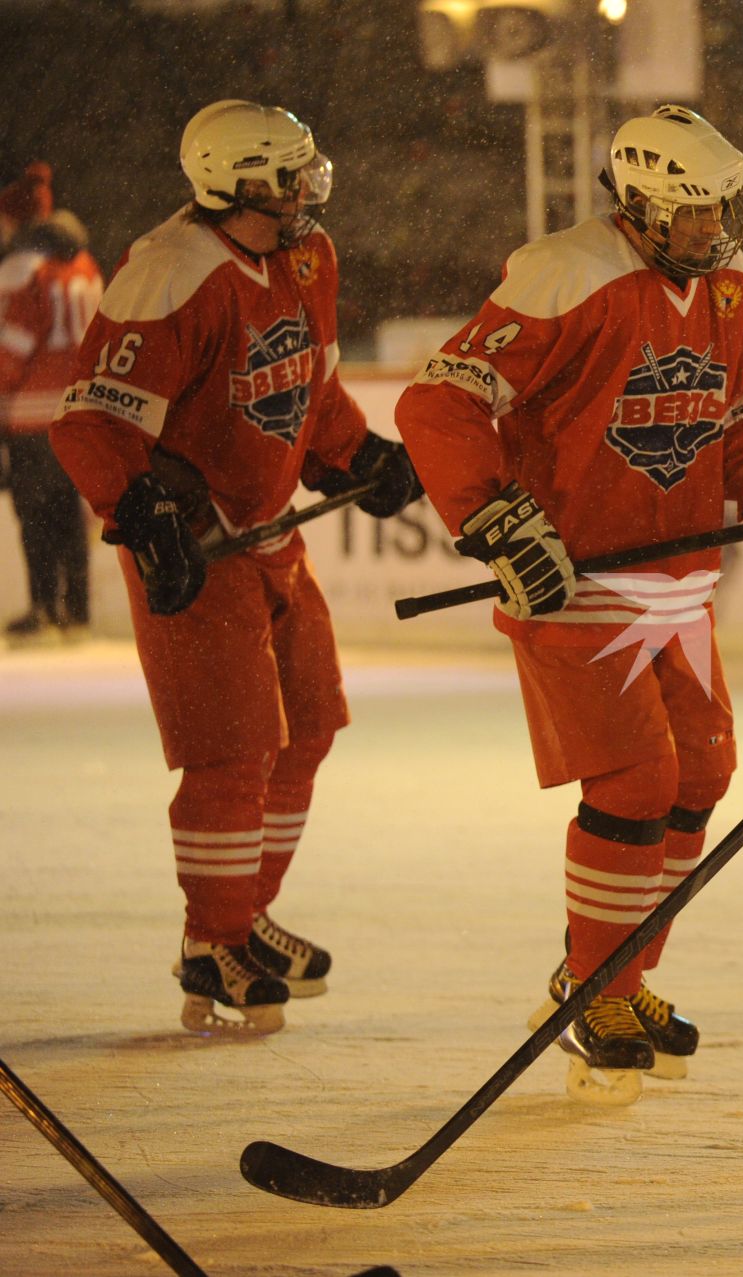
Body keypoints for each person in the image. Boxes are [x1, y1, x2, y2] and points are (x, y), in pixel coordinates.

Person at [394, 105, 743, 1106]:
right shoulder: (565, 273)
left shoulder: (729, 283)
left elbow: (732, 419)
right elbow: (437, 403)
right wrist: (493, 519)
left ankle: (619, 977)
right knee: (637, 779)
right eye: (693, 214)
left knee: (701, 769)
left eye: (720, 210)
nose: (713, 230)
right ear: (642, 207)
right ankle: (592, 989)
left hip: (679, 583)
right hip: (578, 583)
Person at [49, 100, 424, 1035]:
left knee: (308, 727)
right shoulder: (172, 274)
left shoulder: (307, 256)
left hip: (265, 534)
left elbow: (310, 386)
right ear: (239, 184)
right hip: (191, 535)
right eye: (288, 174)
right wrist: (139, 514)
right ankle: (210, 938)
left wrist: (354, 453)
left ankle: (243, 916)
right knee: (231, 749)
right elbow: (91, 420)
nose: (308, 187)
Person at [0, 163, 100, 643]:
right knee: (68, 512)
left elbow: (14, 344)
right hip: (79, 413)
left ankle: (42, 608)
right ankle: (77, 612)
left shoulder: (28, 269)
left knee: (35, 516)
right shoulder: (84, 264)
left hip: (33, 415)